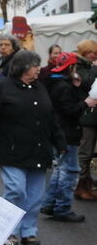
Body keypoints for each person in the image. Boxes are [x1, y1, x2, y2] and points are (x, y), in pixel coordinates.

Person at [0, 50, 66, 245]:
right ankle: (8, 231)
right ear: (23, 67)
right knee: (16, 189)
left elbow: (51, 118)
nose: (38, 69)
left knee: (35, 196)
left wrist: (60, 142)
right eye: (35, 65)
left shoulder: (40, 88)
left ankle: (28, 231)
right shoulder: (3, 87)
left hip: (39, 150)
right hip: (12, 150)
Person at [40, 52, 85, 221]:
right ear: (71, 67)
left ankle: (50, 204)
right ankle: (62, 208)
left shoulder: (55, 82)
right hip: (68, 133)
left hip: (59, 132)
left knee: (60, 169)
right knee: (70, 171)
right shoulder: (64, 87)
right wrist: (85, 103)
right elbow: (70, 110)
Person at [73, 40, 97, 200]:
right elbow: (87, 83)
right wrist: (95, 68)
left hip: (92, 114)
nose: (95, 55)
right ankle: (80, 185)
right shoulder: (78, 67)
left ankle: (87, 184)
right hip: (87, 115)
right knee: (85, 152)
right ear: (85, 52)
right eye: (92, 52)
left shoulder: (86, 66)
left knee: (88, 152)